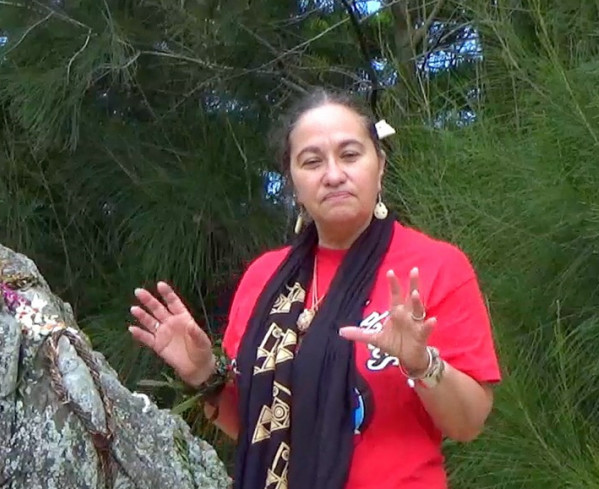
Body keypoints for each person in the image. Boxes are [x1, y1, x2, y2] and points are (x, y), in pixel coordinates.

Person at [128, 88, 501, 489]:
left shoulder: (436, 266)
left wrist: (421, 364)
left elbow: (468, 423)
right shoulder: (264, 280)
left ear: (380, 166)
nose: (334, 174)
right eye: (312, 162)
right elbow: (259, 428)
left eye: (350, 154)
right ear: (292, 182)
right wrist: (205, 376)